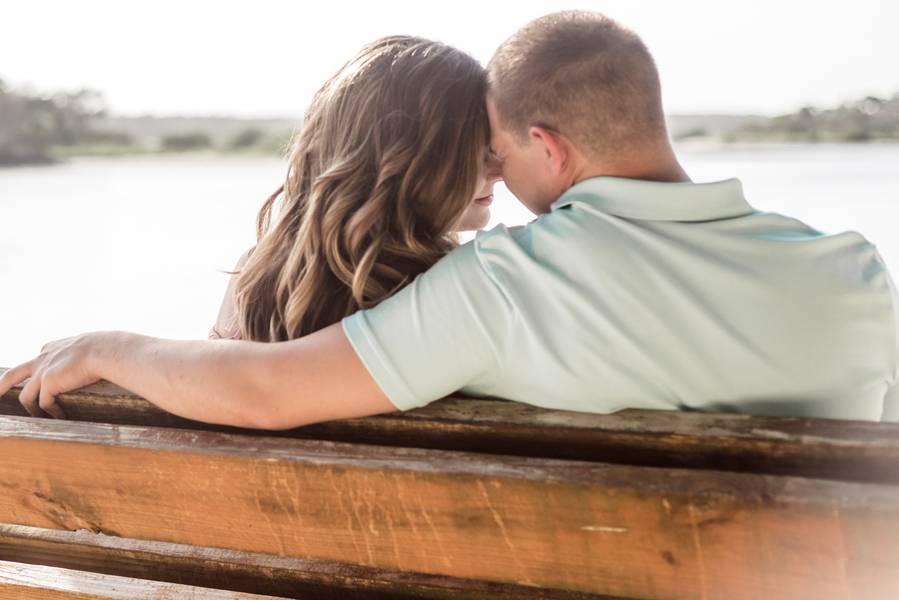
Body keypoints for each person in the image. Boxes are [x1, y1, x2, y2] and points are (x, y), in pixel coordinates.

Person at [3, 11, 897, 428]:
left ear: (544, 146)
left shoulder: (506, 285)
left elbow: (265, 390)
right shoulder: (853, 270)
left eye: (497, 153)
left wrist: (108, 346)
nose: (493, 180)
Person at [207, 36, 501, 342]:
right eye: (472, 152)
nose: (498, 170)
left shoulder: (256, 274)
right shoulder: (454, 285)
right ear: (403, 160)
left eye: (494, 147)